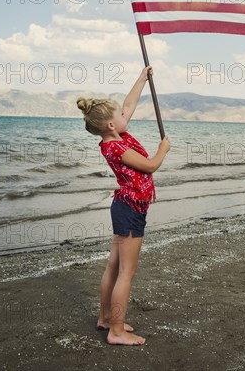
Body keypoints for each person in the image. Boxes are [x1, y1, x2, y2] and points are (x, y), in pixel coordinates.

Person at [76, 66, 170, 346]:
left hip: (124, 207)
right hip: (129, 209)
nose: (125, 115)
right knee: (127, 272)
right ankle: (115, 330)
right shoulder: (117, 147)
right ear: (110, 125)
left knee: (114, 266)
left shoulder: (117, 136)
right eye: (120, 116)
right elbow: (151, 165)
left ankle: (106, 318)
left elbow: (127, 106)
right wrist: (162, 149)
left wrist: (141, 79)